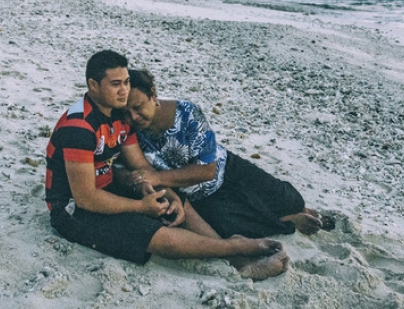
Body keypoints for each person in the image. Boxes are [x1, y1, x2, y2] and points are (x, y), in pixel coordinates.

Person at [45, 50, 289, 280]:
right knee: (155, 236)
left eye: (126, 82)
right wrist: (140, 207)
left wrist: (168, 194)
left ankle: (235, 258)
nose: (124, 90)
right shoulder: (78, 127)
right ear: (93, 85)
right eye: (116, 84)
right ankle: (237, 247)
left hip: (106, 189)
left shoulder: (119, 116)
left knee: (175, 200)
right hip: (72, 209)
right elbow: (85, 198)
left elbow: (142, 167)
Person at [123, 68, 336, 239]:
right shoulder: (128, 131)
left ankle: (300, 210)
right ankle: (290, 220)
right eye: (126, 112)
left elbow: (207, 170)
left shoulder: (187, 113)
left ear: (152, 94)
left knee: (289, 199)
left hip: (227, 169)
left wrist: (157, 177)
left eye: (138, 107)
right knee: (231, 228)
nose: (133, 117)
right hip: (197, 197)